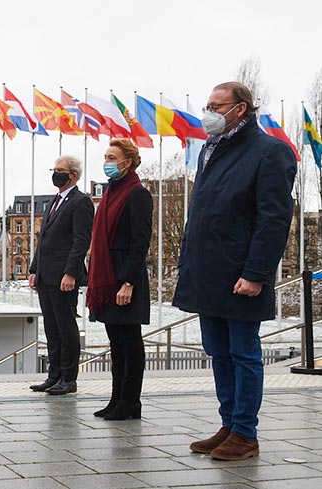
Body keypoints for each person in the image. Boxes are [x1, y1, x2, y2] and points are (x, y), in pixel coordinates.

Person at [173, 81, 296, 461]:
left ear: (240, 109)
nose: (208, 112)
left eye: (216, 105)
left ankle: (245, 433)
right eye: (208, 104)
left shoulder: (270, 152)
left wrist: (256, 272)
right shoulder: (209, 150)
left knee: (244, 353)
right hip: (208, 273)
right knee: (218, 351)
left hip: (242, 274)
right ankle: (228, 424)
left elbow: (274, 219)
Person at [86, 139, 153, 420]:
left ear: (128, 162)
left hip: (126, 279)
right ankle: (117, 399)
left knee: (130, 341)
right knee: (116, 342)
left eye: (112, 157)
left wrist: (128, 282)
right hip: (108, 278)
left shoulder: (137, 194)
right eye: (105, 156)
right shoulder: (110, 194)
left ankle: (130, 401)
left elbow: (140, 243)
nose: (107, 162)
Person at [28, 156, 94, 395]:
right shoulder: (54, 201)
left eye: (60, 170)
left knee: (66, 328)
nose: (55, 174)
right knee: (52, 328)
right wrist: (34, 269)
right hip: (46, 275)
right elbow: (43, 240)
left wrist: (70, 273)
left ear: (73, 175)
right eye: (54, 169)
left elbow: (81, 241)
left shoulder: (81, 202)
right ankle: (53, 375)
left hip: (64, 277)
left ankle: (69, 378)